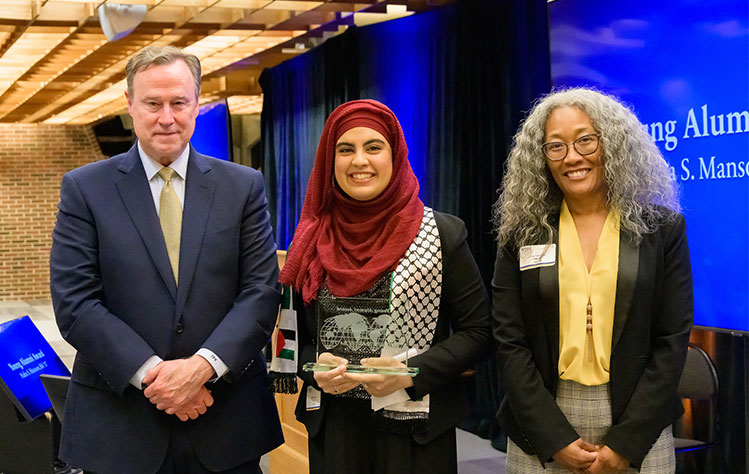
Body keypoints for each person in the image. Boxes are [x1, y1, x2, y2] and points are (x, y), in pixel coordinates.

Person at [49, 46, 283, 474]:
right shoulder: (85, 190)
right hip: (119, 425)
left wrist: (201, 368)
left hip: (225, 423)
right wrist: (158, 377)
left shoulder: (242, 187)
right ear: (129, 104)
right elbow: (76, 303)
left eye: (179, 102)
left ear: (196, 104)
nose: (166, 117)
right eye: (152, 103)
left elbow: (261, 292)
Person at [275, 99, 491, 474]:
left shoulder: (441, 234)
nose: (360, 161)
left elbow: (479, 332)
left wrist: (410, 374)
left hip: (416, 432)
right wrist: (313, 368)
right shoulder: (308, 241)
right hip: (336, 428)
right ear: (330, 161)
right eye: (346, 150)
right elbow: (294, 341)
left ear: (395, 155)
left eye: (373, 147)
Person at [492, 87, 693, 474]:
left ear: (612, 144)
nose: (572, 157)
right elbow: (509, 342)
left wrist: (625, 444)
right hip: (542, 421)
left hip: (638, 423)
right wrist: (555, 439)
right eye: (556, 147)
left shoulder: (662, 230)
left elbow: (671, 341)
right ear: (542, 158)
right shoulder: (523, 235)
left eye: (586, 140)